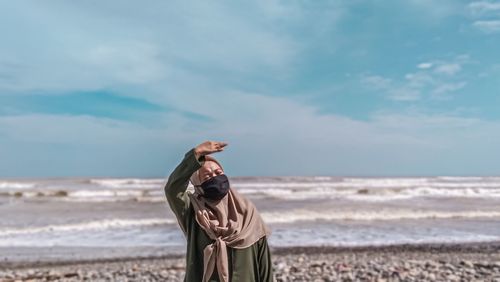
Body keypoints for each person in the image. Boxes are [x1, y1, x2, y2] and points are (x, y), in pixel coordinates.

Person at [164, 140, 275, 282]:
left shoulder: (248, 213)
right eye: (207, 177)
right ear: (198, 185)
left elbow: (264, 264)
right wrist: (195, 154)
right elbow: (173, 189)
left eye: (218, 173)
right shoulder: (193, 211)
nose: (215, 178)